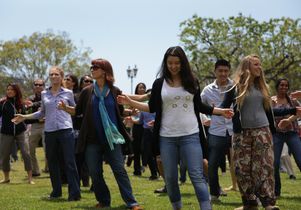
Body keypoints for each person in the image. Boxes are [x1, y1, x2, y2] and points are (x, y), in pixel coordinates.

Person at [118, 46, 233, 210]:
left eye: (177, 63)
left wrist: (221, 111)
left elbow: (199, 106)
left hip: (191, 136)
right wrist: (129, 102)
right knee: (171, 178)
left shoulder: (192, 81)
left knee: (197, 176)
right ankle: (177, 207)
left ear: (183, 63)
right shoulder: (159, 84)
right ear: (166, 63)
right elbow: (151, 107)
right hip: (167, 138)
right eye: (170, 63)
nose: (173, 66)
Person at [58, 59, 143, 209]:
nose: (92, 69)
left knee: (119, 170)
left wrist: (132, 111)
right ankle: (104, 200)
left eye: (95, 67)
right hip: (92, 140)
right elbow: (78, 112)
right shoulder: (87, 91)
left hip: (112, 139)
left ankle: (132, 202)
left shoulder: (114, 91)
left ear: (104, 71)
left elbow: (120, 112)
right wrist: (65, 108)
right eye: (91, 67)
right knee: (95, 173)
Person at [220, 54, 286, 210]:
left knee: (264, 167)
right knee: (242, 169)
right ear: (247, 67)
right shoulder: (235, 88)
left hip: (262, 131)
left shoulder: (263, 87)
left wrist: (291, 111)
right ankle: (249, 203)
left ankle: (268, 203)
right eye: (256, 64)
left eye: (260, 64)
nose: (259, 67)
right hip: (242, 134)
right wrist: (223, 113)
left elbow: (269, 110)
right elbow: (223, 107)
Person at [12, 66, 81, 201]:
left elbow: (75, 111)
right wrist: (25, 117)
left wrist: (66, 108)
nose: (53, 76)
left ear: (61, 76)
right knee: (52, 162)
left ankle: (74, 194)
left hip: (65, 130)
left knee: (69, 162)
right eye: (51, 75)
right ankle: (56, 192)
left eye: (56, 74)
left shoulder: (68, 93)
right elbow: (42, 112)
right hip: (49, 131)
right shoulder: (44, 94)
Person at [201, 59, 237, 201]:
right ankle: (214, 194)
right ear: (215, 71)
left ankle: (249, 195)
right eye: (220, 71)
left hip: (235, 130)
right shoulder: (207, 90)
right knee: (212, 164)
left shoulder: (236, 87)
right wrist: (205, 118)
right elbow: (199, 107)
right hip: (216, 131)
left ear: (229, 71)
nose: (223, 73)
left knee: (242, 164)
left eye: (226, 71)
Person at [271, 78, 301, 197]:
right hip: (277, 134)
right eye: (281, 85)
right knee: (274, 163)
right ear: (277, 86)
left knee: (299, 159)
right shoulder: (271, 100)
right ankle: (276, 192)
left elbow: (299, 112)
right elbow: (268, 114)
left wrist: (288, 121)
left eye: (286, 85)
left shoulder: (293, 101)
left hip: (291, 133)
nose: (284, 87)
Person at [0, 83, 34, 184]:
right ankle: (6, 178)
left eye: (12, 90)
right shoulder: (3, 103)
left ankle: (30, 179)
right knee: (5, 155)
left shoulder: (21, 103)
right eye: (8, 89)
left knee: (26, 153)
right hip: (6, 133)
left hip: (21, 132)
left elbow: (25, 117)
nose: (9, 91)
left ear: (16, 91)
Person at [26, 79, 46, 177]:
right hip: (34, 126)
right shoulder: (30, 98)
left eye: (40, 84)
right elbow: (27, 112)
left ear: (43, 86)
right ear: (34, 86)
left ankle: (49, 168)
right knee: (30, 149)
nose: (38, 86)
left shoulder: (47, 95)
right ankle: (35, 171)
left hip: (47, 125)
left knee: (48, 148)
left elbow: (42, 104)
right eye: (36, 84)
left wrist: (33, 104)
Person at [131, 83, 146, 176]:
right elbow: (131, 113)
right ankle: (137, 170)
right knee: (136, 149)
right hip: (137, 125)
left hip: (145, 126)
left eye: (143, 87)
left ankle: (146, 166)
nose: (142, 89)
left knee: (144, 148)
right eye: (140, 87)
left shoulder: (147, 100)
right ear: (137, 89)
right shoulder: (133, 100)